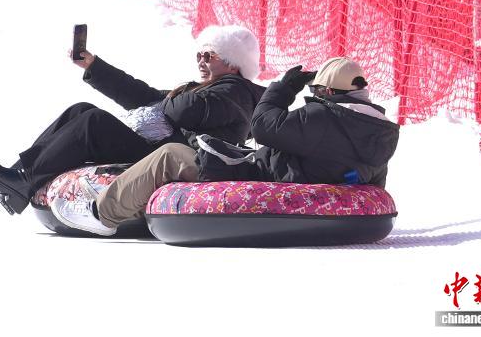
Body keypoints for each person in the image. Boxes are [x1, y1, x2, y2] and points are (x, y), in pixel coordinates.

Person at [50, 56, 400, 236]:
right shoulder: (381, 131)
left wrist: (283, 88)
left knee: (171, 155)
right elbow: (374, 179)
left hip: (262, 175)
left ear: (327, 91)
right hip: (300, 178)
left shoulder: (322, 117)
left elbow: (263, 126)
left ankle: (103, 214)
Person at [0, 25, 265, 216]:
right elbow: (148, 97)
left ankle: (23, 182)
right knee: (80, 110)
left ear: (233, 64)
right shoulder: (210, 89)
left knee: (94, 123)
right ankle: (20, 174)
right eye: (199, 54)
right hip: (162, 147)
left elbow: (180, 111)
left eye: (209, 55)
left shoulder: (236, 92)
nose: (201, 61)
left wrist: (172, 98)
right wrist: (94, 67)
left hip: (176, 158)